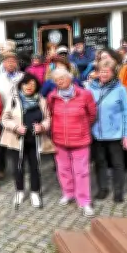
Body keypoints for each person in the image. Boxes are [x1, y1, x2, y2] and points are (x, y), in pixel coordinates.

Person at [47, 68, 98, 218]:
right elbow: (50, 113)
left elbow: (92, 114)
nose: (59, 81)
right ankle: (68, 193)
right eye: (56, 80)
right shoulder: (52, 97)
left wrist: (81, 127)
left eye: (62, 78)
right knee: (63, 169)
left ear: (70, 79)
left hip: (80, 138)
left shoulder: (84, 94)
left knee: (81, 171)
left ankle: (84, 201)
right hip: (59, 139)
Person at [1, 73, 54, 209]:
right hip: (16, 140)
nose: (29, 86)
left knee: (35, 167)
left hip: (35, 140)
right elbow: (4, 119)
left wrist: (42, 126)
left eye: (32, 84)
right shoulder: (13, 99)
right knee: (18, 167)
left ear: (36, 86)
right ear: (21, 85)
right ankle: (19, 191)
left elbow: (48, 118)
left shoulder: (41, 100)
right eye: (26, 84)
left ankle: (35, 192)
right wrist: (16, 127)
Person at [87, 60, 127, 203]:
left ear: (113, 73)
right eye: (102, 70)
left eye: (107, 71)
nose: (104, 73)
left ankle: (118, 191)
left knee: (117, 164)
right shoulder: (90, 88)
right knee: (100, 163)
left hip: (115, 134)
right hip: (96, 133)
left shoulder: (120, 89)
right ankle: (102, 188)